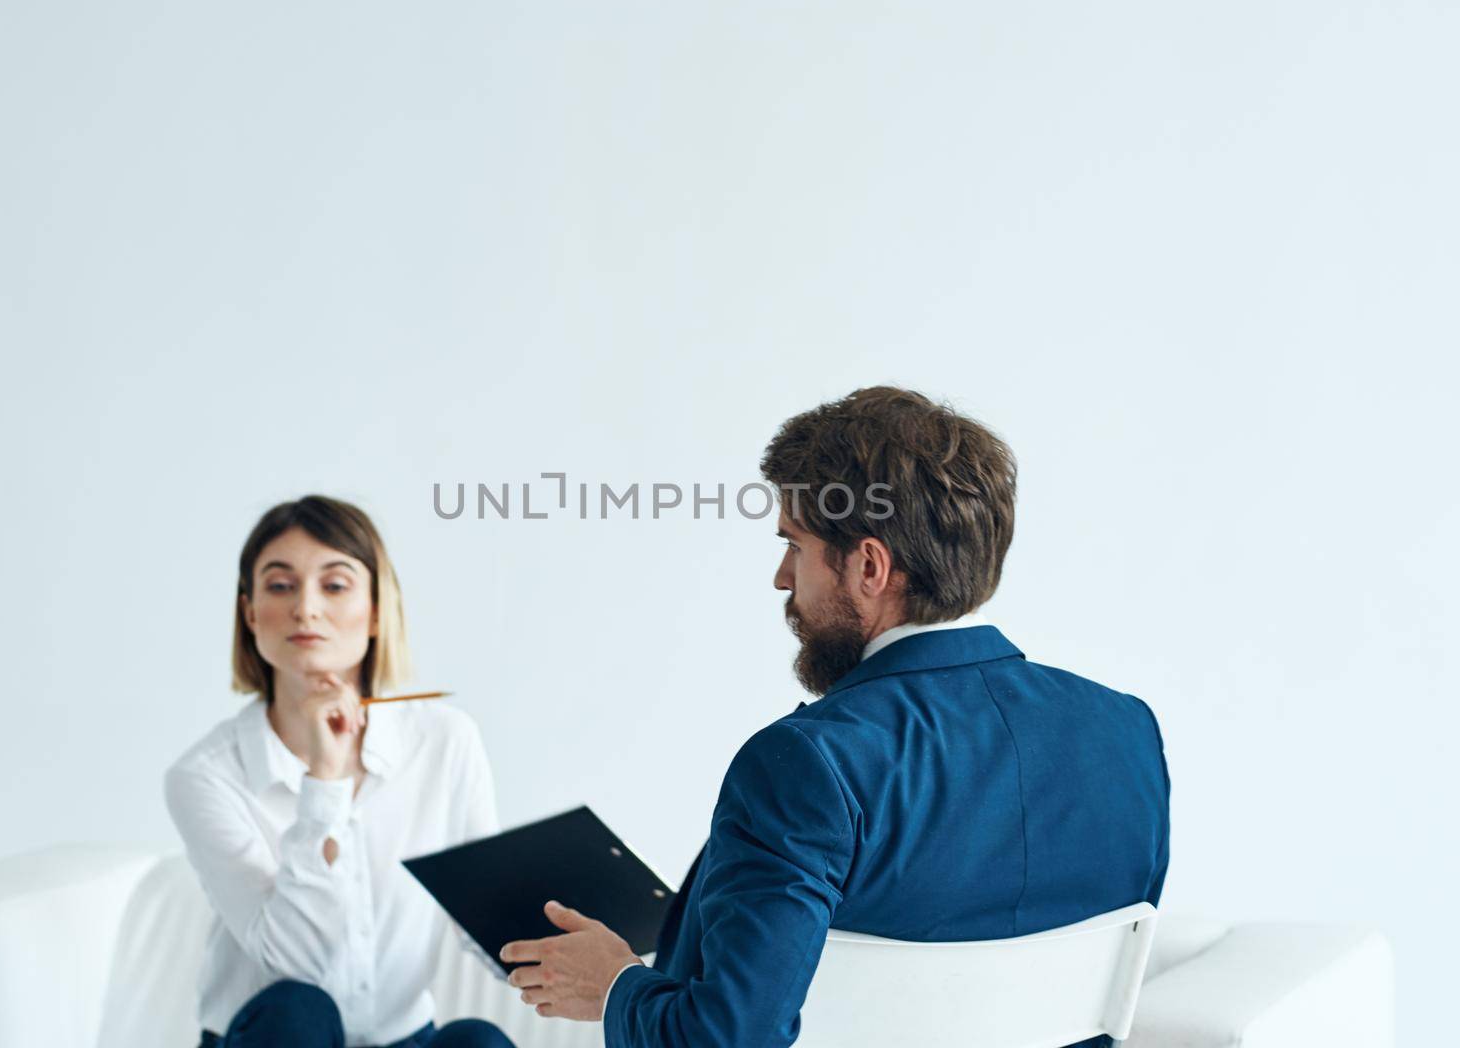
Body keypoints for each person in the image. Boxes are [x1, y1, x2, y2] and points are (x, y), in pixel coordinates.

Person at [501, 387, 1171, 1048]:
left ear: (870, 567)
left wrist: (614, 984)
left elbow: (726, 1039)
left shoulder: (808, 765)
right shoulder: (1127, 734)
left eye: (794, 545)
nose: (782, 578)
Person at [165, 495, 515, 1048]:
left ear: (376, 610)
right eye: (280, 586)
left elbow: (485, 912)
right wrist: (324, 784)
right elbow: (295, 961)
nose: (306, 608)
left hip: (402, 1038)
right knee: (298, 1010)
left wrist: (562, 939)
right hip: (280, 1036)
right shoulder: (204, 775)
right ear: (251, 612)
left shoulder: (444, 739)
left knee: (478, 1041)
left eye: (334, 585)